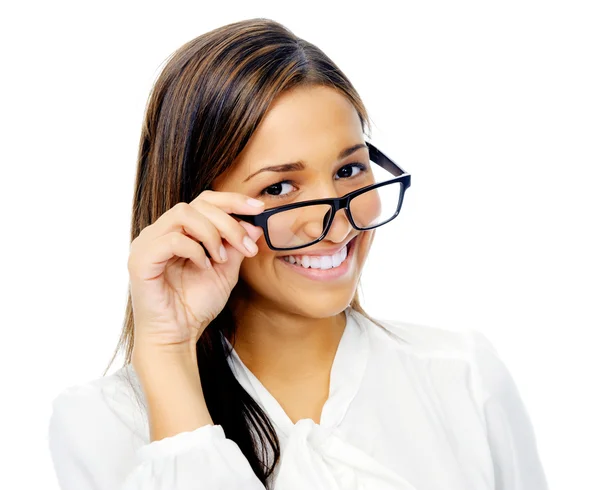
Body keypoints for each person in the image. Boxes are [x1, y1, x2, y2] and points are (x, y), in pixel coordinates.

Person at [47, 18, 548, 490]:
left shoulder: (463, 373)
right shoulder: (101, 424)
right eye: (282, 186)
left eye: (349, 171)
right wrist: (167, 352)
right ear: (197, 208)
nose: (334, 219)